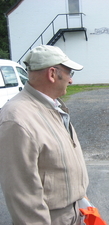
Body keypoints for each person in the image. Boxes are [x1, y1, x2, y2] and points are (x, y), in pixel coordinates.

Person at [0, 45, 89, 224]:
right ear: (52, 74)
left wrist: (83, 201)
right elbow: (24, 198)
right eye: (70, 72)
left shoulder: (52, 105)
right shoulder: (16, 119)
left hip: (75, 212)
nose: (71, 80)